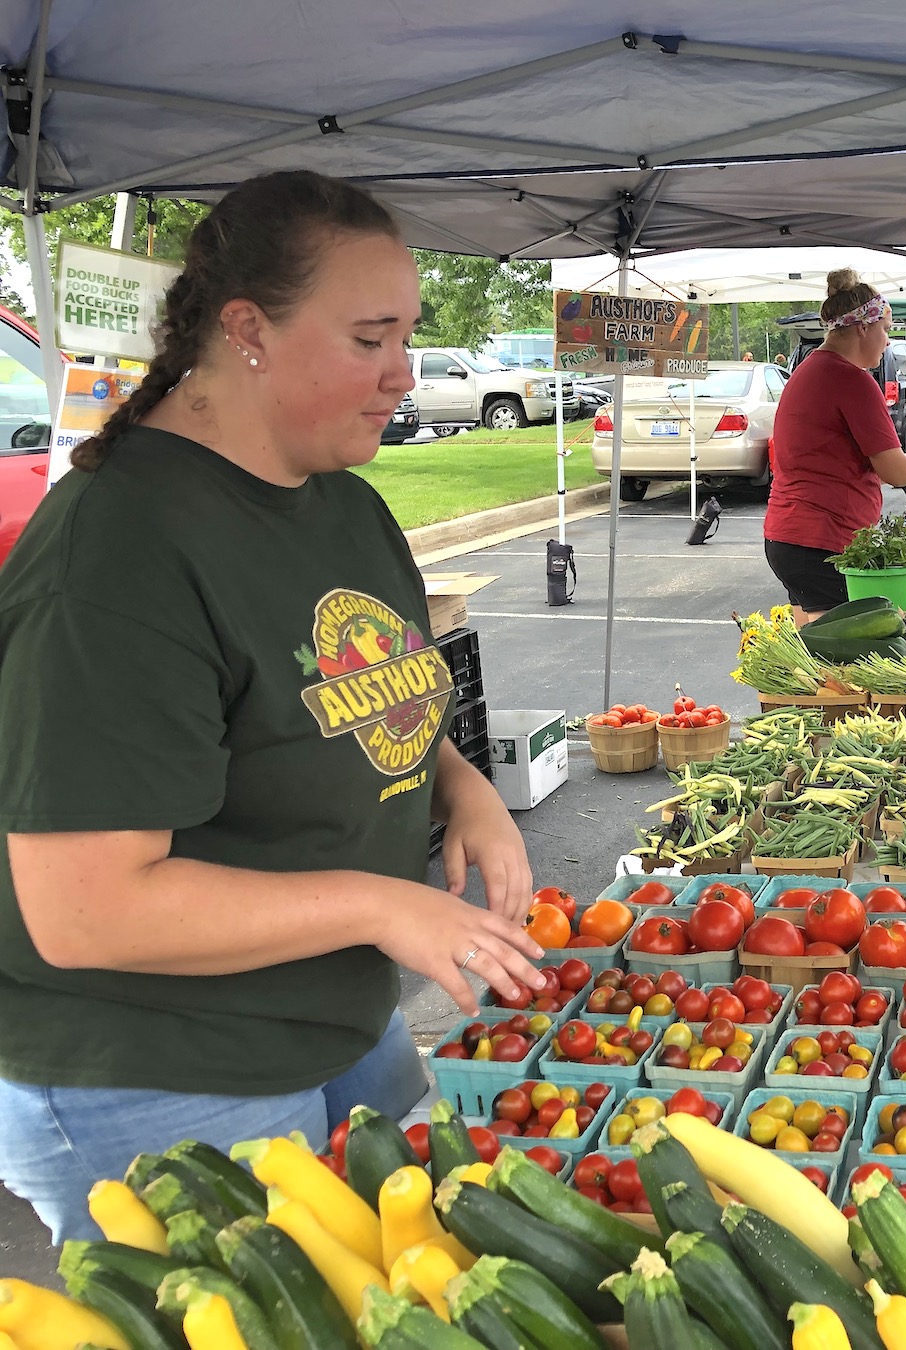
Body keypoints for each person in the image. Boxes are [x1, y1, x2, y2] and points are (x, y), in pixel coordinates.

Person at [0, 171, 548, 1244]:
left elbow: (353, 702)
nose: (404, 374)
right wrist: (385, 906)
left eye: (407, 339)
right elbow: (83, 910)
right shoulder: (119, 551)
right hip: (159, 1066)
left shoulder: (344, 502)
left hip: (336, 1019)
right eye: (370, 340)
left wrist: (462, 782)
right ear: (246, 329)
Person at [763, 269, 906, 622]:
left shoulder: (810, 370)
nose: (888, 342)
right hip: (822, 540)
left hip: (793, 537)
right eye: (885, 329)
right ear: (862, 328)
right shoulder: (851, 380)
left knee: (813, 659)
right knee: (840, 667)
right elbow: (897, 471)